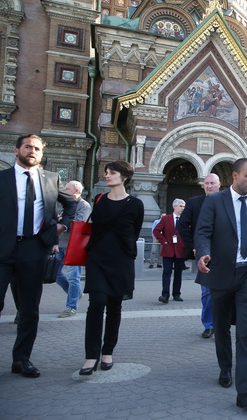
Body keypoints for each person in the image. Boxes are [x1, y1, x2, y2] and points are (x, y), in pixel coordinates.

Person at [194, 158, 247, 410]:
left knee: (246, 332)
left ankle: (244, 393)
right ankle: (225, 367)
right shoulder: (214, 201)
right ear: (234, 175)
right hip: (220, 273)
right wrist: (203, 253)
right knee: (221, 327)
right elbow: (203, 231)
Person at [0, 134, 76, 378]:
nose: (32, 151)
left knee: (30, 309)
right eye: (27, 147)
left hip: (34, 249)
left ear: (41, 154)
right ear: (17, 150)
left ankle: (21, 360)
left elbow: (71, 204)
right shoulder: (3, 178)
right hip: (3, 249)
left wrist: (61, 226)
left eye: (36, 148)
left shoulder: (51, 179)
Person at [79, 160, 144, 376]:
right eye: (106, 172)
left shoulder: (135, 204)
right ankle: (91, 355)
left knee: (115, 306)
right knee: (96, 303)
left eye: (112, 172)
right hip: (97, 258)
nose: (107, 175)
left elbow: (134, 232)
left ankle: (107, 351)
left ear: (124, 177)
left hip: (121, 260)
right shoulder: (99, 200)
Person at [177, 173, 221, 338]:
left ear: (219, 184)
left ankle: (222, 323)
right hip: (204, 253)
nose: (209, 186)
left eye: (212, 183)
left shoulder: (227, 201)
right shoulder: (194, 203)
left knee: (225, 290)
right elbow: (182, 225)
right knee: (207, 291)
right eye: (206, 183)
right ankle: (209, 325)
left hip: (224, 253)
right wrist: (194, 246)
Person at [55, 180, 92, 318]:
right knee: (54, 273)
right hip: (60, 244)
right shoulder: (65, 204)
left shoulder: (84, 205)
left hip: (74, 246)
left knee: (73, 277)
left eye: (67, 188)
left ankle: (71, 307)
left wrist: (62, 220)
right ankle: (76, 293)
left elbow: (79, 224)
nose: (64, 191)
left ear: (76, 191)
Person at [154, 199, 186, 303]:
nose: (183, 208)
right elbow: (156, 231)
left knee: (178, 273)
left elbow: (188, 233)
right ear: (174, 207)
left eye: (184, 206)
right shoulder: (166, 219)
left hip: (180, 250)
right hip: (168, 249)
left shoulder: (185, 219)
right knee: (167, 272)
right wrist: (164, 241)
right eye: (181, 206)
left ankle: (176, 294)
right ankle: (165, 295)